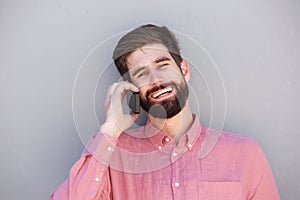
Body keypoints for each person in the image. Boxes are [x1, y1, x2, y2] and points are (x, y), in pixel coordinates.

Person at [50, 24, 281, 199]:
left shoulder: (245, 154)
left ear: (184, 70)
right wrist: (110, 128)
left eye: (163, 65)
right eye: (141, 74)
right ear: (131, 90)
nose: (156, 79)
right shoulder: (113, 157)